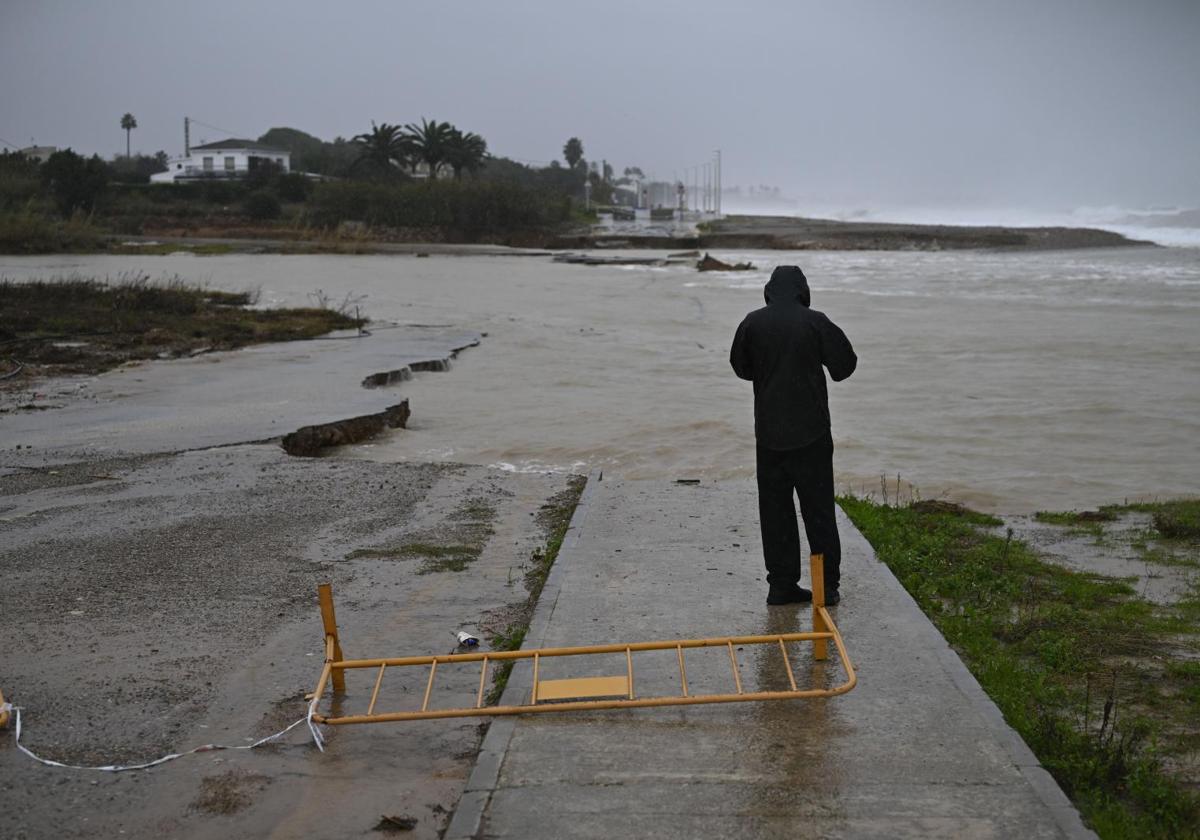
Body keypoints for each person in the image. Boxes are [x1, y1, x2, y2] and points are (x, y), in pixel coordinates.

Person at [730, 265, 857, 606]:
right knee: (817, 510)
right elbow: (845, 367)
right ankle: (826, 586)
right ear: (803, 291)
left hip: (769, 435)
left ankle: (782, 584)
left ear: (768, 291)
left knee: (775, 511)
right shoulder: (816, 322)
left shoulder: (752, 323)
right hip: (812, 434)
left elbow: (740, 368)